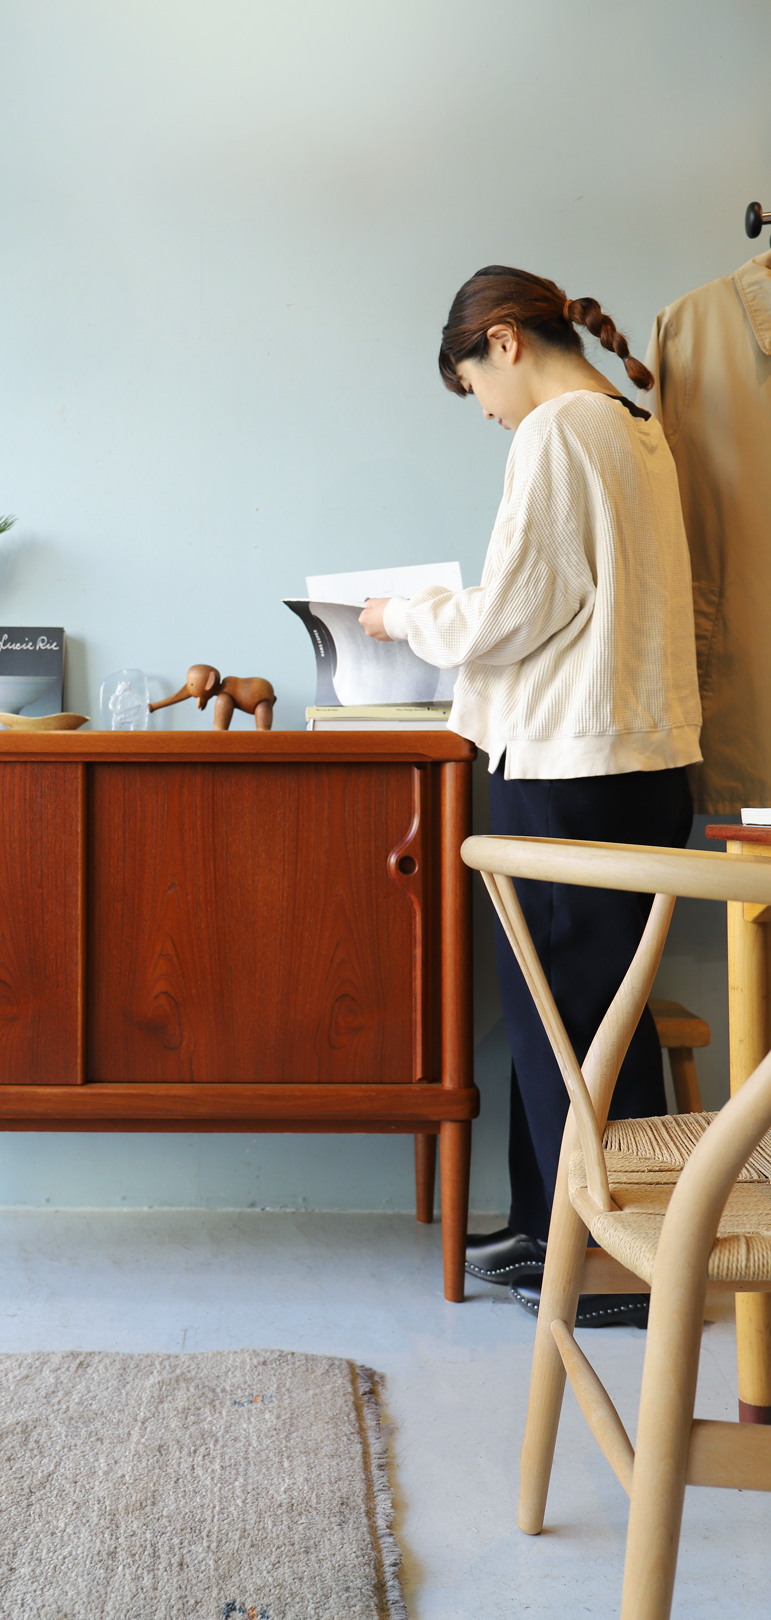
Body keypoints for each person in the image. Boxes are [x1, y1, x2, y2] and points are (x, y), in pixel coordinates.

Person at [359, 266, 701, 1327]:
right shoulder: (635, 427)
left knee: (567, 1020)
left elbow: (513, 609)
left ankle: (604, 1267)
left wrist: (400, 617)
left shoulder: (558, 433)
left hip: (571, 765)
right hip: (633, 761)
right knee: (587, 1013)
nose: (490, 415)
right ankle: (547, 1223)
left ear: (503, 342)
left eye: (478, 390)